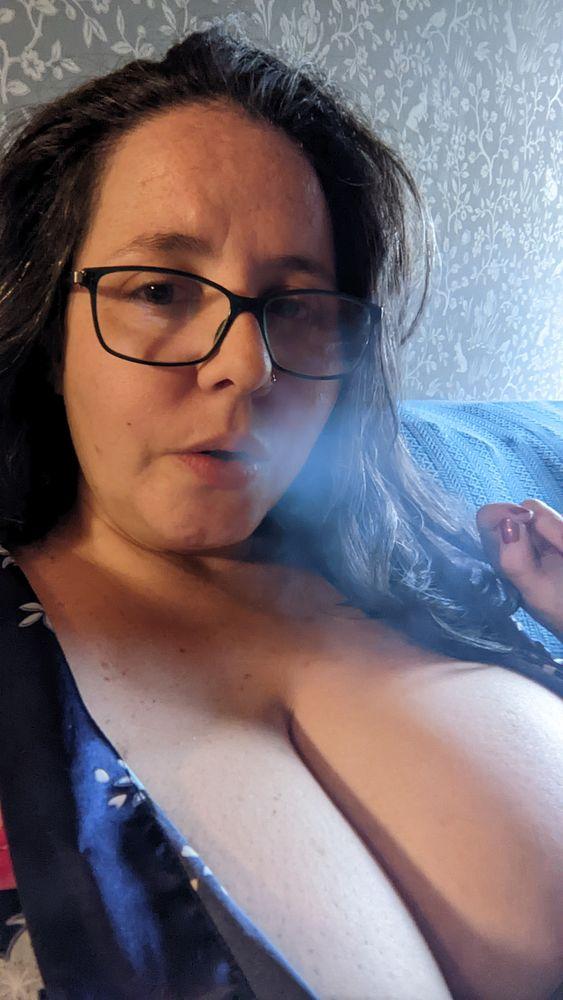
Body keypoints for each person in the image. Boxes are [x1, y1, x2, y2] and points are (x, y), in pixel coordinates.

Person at [0, 21, 561, 1000]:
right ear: (52, 329)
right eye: (160, 290)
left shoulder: (433, 559)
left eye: (295, 305)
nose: (246, 368)